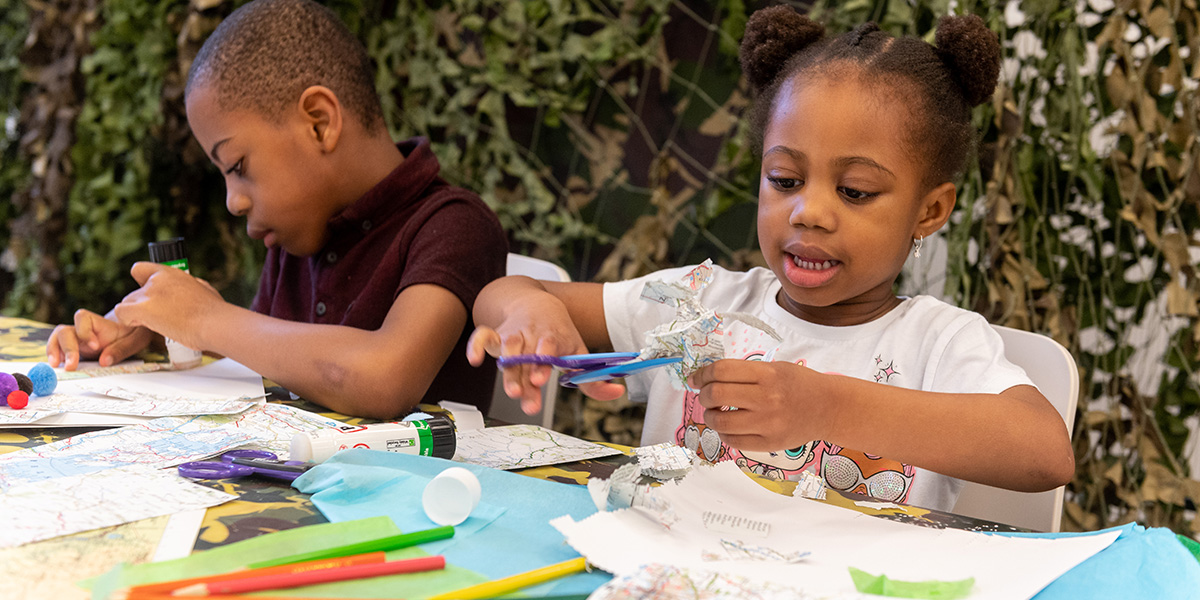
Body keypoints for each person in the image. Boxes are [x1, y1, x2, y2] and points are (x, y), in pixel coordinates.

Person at [467, 7, 1074, 510]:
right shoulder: (698, 304)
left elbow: (1044, 452)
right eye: (785, 179)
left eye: (855, 191)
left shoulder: (937, 342)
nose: (808, 212)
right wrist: (526, 311)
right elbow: (512, 289)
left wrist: (827, 406)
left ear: (930, 211)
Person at [45, 0, 507, 419]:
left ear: (319, 123)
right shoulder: (304, 233)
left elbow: (383, 380)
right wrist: (166, 333)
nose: (233, 200)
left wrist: (208, 319)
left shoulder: (453, 226)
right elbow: (261, 360)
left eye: (238, 165)